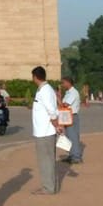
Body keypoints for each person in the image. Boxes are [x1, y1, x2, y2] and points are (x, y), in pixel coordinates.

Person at [31, 65, 63, 195]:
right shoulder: (43, 89)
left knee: (46, 161)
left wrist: (57, 126)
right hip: (42, 131)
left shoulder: (45, 90)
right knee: (45, 160)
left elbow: (51, 111)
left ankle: (48, 188)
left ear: (35, 77)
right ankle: (49, 186)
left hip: (45, 131)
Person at [59, 76, 83, 164]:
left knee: (73, 137)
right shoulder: (68, 92)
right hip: (67, 115)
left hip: (72, 115)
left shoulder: (73, 92)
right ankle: (71, 155)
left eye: (63, 83)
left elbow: (65, 104)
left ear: (68, 82)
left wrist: (57, 97)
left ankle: (76, 157)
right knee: (68, 137)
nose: (62, 85)